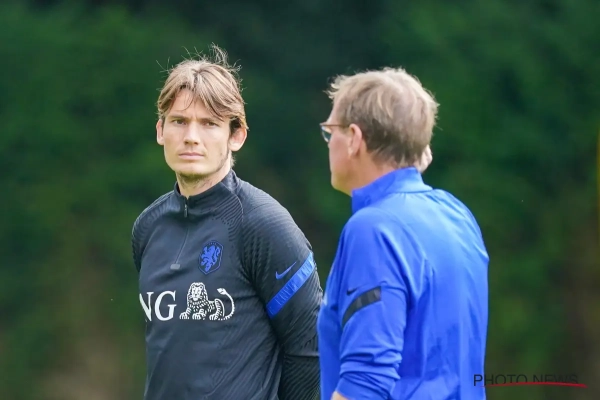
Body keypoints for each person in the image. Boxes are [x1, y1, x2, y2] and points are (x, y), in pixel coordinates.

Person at [131, 46, 322, 400]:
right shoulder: (148, 227)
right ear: (160, 130)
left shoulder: (264, 225)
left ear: (236, 136)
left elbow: (310, 346)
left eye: (209, 124)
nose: (191, 136)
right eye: (179, 121)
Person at [316, 67, 489, 400]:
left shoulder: (373, 229)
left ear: (354, 139)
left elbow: (366, 383)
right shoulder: (456, 214)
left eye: (330, 132)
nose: (329, 143)